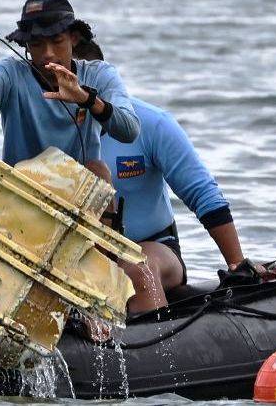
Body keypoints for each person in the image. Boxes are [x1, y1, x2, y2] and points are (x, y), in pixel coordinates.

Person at [71, 24, 255, 312]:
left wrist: (237, 265)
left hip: (153, 248)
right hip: (73, 253)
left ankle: (159, 351)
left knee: (136, 268)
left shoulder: (152, 123)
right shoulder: (45, 132)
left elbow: (203, 194)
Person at [0, 0, 140, 173]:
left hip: (81, 188)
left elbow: (129, 131)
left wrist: (86, 98)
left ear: (74, 38)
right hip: (22, 187)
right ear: (26, 45)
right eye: (36, 44)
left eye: (57, 41)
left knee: (99, 170)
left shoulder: (99, 74)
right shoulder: (12, 74)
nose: (48, 53)